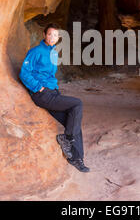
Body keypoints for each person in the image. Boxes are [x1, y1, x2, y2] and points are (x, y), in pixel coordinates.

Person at [19, 23, 90, 172]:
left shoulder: (54, 53)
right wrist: (38, 87)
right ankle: (66, 137)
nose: (52, 37)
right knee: (77, 104)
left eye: (56, 35)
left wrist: (54, 88)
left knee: (74, 122)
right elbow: (24, 73)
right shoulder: (35, 51)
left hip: (53, 93)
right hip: (41, 94)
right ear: (44, 35)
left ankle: (76, 159)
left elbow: (50, 75)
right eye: (50, 34)